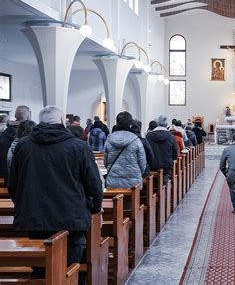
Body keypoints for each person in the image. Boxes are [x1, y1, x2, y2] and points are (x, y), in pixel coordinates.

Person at [8, 106, 103, 278]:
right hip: (71, 217)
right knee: (69, 271)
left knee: (40, 270)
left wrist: (23, 205)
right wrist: (94, 208)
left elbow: (13, 184)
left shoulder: (23, 146)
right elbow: (94, 184)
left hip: (34, 217)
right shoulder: (79, 147)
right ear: (62, 121)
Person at [104, 112, 146, 189]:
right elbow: (142, 164)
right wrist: (137, 174)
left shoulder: (109, 140)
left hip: (113, 182)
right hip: (133, 184)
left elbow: (106, 162)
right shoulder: (136, 140)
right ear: (130, 124)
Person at [146, 115, 178, 185]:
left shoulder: (148, 136)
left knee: (151, 185)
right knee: (164, 185)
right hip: (166, 167)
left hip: (152, 166)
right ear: (166, 125)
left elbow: (146, 151)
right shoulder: (171, 136)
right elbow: (175, 153)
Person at [0, 105, 30, 178]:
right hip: (21, 174)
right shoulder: (27, 134)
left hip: (4, 172)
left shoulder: (6, 132)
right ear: (28, 116)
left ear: (15, 115)